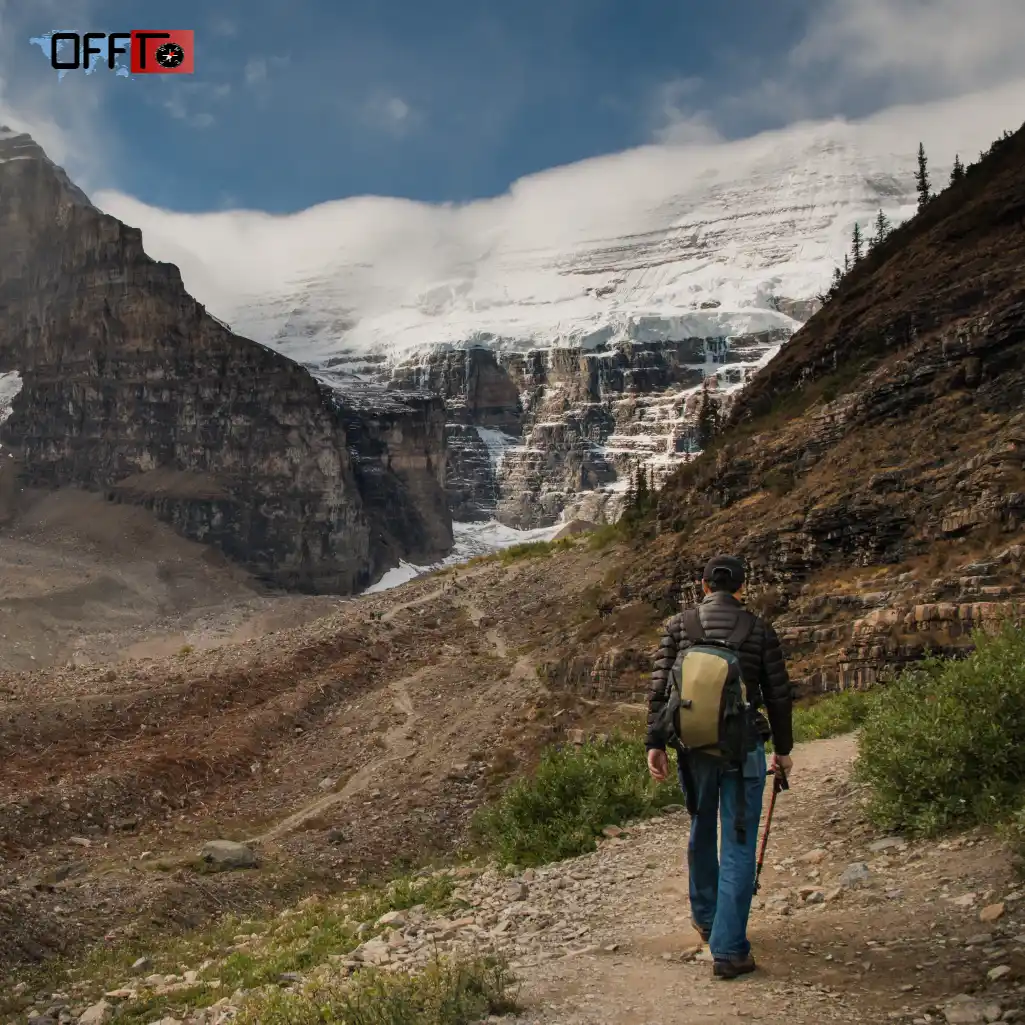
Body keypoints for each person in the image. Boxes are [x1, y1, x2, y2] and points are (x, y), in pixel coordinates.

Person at [646, 554, 794, 980]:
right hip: (744, 750)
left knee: (700, 825)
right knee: (739, 841)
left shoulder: (680, 627)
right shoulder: (759, 630)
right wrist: (782, 751)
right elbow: (779, 696)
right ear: (742, 588)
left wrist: (655, 743)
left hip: (693, 749)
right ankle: (729, 950)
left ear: (704, 585)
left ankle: (707, 920)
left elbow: (660, 691)